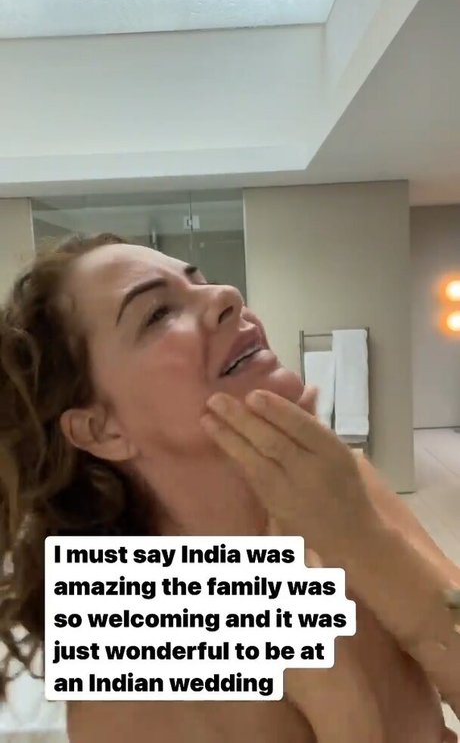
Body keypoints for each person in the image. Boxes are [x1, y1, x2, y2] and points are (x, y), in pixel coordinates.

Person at [0, 232, 458, 743]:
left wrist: (365, 542)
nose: (227, 296)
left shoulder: (337, 493)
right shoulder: (129, 654)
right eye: (157, 314)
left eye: (201, 282)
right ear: (100, 430)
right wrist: (339, 699)